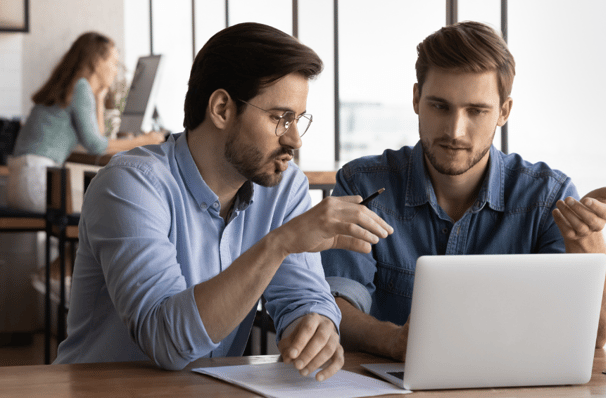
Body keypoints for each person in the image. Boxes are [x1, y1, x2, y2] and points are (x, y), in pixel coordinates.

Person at [53, 23, 394, 381]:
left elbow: (302, 298)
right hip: (104, 390)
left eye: (299, 119)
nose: (295, 139)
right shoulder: (129, 185)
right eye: (281, 118)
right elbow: (165, 342)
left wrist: (315, 325)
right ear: (220, 108)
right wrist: (279, 244)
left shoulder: (283, 184)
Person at [320, 21, 606, 361]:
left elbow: (597, 335)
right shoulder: (362, 185)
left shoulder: (546, 196)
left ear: (504, 112)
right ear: (416, 99)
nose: (455, 131)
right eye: (440, 106)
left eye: (476, 111)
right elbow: (334, 305)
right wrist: (393, 341)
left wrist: (588, 241)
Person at [8, 31, 164, 213]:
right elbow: (96, 145)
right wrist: (143, 142)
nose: (115, 70)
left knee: (101, 205)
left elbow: (96, 137)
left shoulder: (74, 86)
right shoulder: (81, 87)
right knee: (111, 209)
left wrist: (99, 99)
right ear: (97, 63)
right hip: (37, 183)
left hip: (23, 182)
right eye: (113, 63)